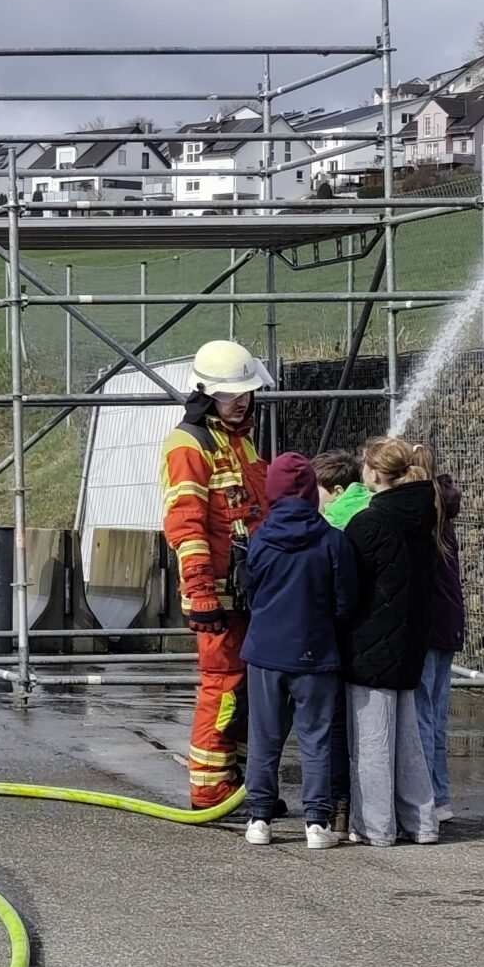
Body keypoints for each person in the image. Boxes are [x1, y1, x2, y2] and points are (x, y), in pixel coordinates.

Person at [160, 338, 273, 812]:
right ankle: (209, 789)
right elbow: (187, 526)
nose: (242, 399)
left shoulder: (239, 437)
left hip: (249, 590)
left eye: (246, 391)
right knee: (223, 684)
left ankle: (239, 780)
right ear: (206, 393)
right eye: (232, 393)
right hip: (219, 596)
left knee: (247, 689)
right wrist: (201, 593)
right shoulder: (188, 444)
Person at [238, 452, 357, 850]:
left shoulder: (259, 538)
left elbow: (251, 593)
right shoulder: (332, 541)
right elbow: (345, 602)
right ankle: (316, 823)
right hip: (316, 652)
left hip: (265, 651)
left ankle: (258, 818)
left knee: (264, 737)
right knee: (317, 738)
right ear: (310, 491)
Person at [339, 435, 443, 846]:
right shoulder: (425, 514)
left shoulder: (369, 522)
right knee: (409, 741)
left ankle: (376, 826)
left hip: (371, 644)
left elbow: (347, 585)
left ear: (375, 473)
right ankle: (423, 823)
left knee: (372, 742)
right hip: (410, 642)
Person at [423, 472, 468, 825]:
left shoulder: (421, 526)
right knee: (436, 716)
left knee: (423, 716)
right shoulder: (445, 527)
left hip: (427, 629)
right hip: (448, 627)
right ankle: (440, 797)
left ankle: (427, 797)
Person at [316, 448, 370, 530]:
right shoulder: (370, 501)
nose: (310, 494)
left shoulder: (333, 522)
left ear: (338, 492)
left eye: (315, 490)